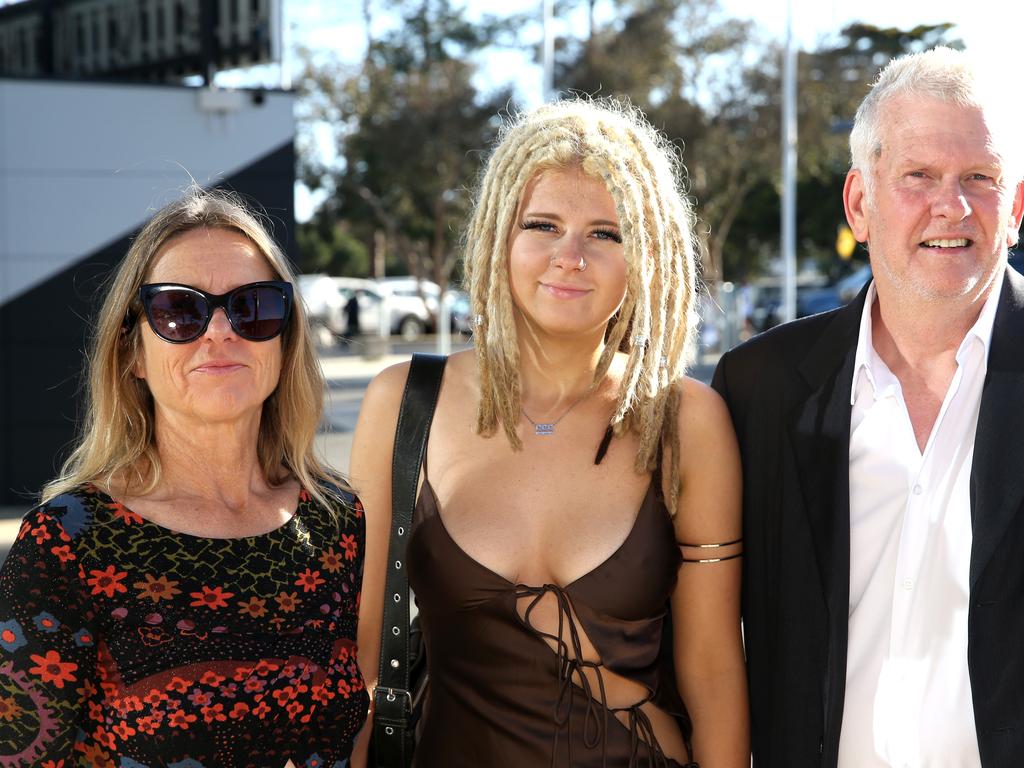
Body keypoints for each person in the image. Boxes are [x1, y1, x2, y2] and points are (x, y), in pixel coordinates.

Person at [350, 98, 748, 767]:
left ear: (644, 256)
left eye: (606, 233)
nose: (571, 257)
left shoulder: (686, 420)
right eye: (543, 225)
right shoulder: (404, 402)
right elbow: (362, 656)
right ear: (498, 237)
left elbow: (712, 670)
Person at [712, 47, 1024, 766]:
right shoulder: (756, 390)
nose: (953, 205)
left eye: (980, 178)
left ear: (1014, 208)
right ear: (860, 201)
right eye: (919, 176)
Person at [0, 188, 368, 766]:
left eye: (253, 307)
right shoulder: (67, 544)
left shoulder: (338, 523)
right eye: (179, 310)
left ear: (285, 340)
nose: (220, 331)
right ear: (133, 354)